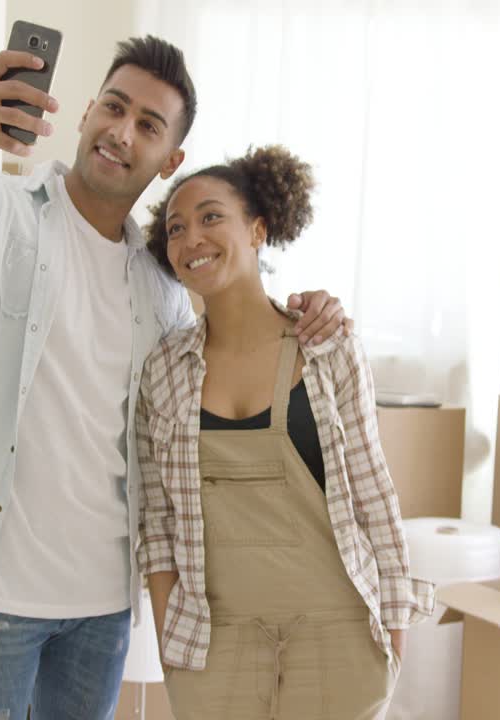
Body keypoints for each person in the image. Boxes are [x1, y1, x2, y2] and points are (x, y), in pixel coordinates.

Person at [0, 36, 349, 719]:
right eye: (114, 108)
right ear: (88, 110)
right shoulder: (3, 209)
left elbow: (229, 355)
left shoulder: (163, 283)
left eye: (148, 126)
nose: (122, 132)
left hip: (102, 606)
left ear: (169, 160)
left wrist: (309, 310)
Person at [136, 145, 434, 720]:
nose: (192, 237)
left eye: (210, 217)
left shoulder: (328, 346)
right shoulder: (162, 371)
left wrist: (393, 638)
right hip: (212, 646)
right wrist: (171, 638)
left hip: (339, 634)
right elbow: (158, 520)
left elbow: (375, 494)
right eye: (176, 228)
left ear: (257, 229)